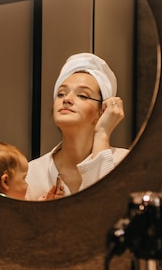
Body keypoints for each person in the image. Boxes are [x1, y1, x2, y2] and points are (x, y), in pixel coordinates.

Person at [25, 53, 129, 201]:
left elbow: (107, 209)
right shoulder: (31, 174)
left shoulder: (124, 163)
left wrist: (102, 134)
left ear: (102, 111)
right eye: (61, 94)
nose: (67, 99)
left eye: (82, 96)